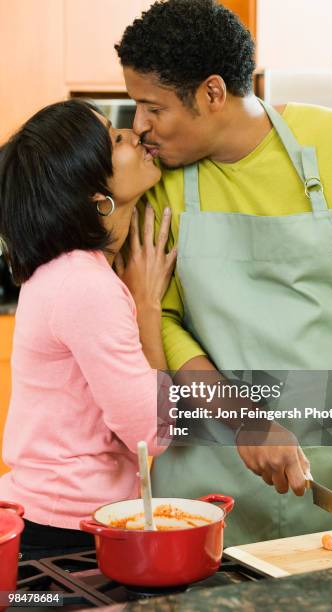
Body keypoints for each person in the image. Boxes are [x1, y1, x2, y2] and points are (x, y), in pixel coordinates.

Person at [115, 0, 332, 546]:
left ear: (212, 93)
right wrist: (244, 420)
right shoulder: (158, 182)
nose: (141, 127)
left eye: (152, 107)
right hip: (203, 487)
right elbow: (159, 320)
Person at [0, 99, 176, 560]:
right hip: (64, 533)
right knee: (38, 603)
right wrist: (147, 307)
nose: (133, 134)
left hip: (44, 514)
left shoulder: (65, 272)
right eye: (114, 141)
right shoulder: (86, 285)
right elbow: (153, 431)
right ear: (99, 199)